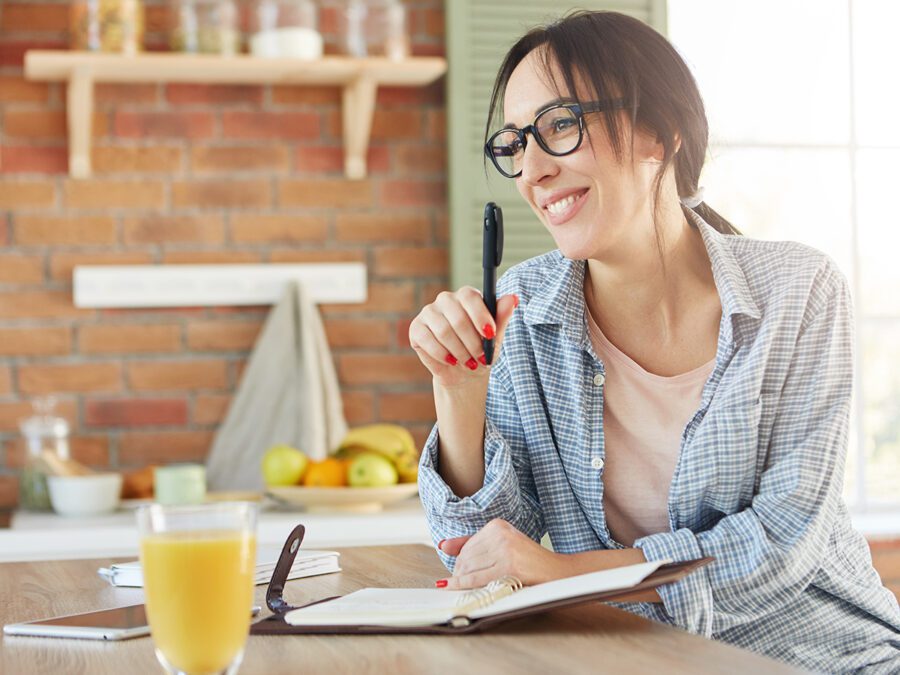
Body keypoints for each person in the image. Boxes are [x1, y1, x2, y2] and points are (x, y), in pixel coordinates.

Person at [408, 10, 900, 673]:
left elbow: (784, 542)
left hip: (824, 653)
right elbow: (478, 555)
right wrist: (458, 394)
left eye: (559, 125)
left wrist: (568, 573)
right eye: (515, 143)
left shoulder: (800, 291)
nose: (531, 171)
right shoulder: (523, 312)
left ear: (659, 134)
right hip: (638, 659)